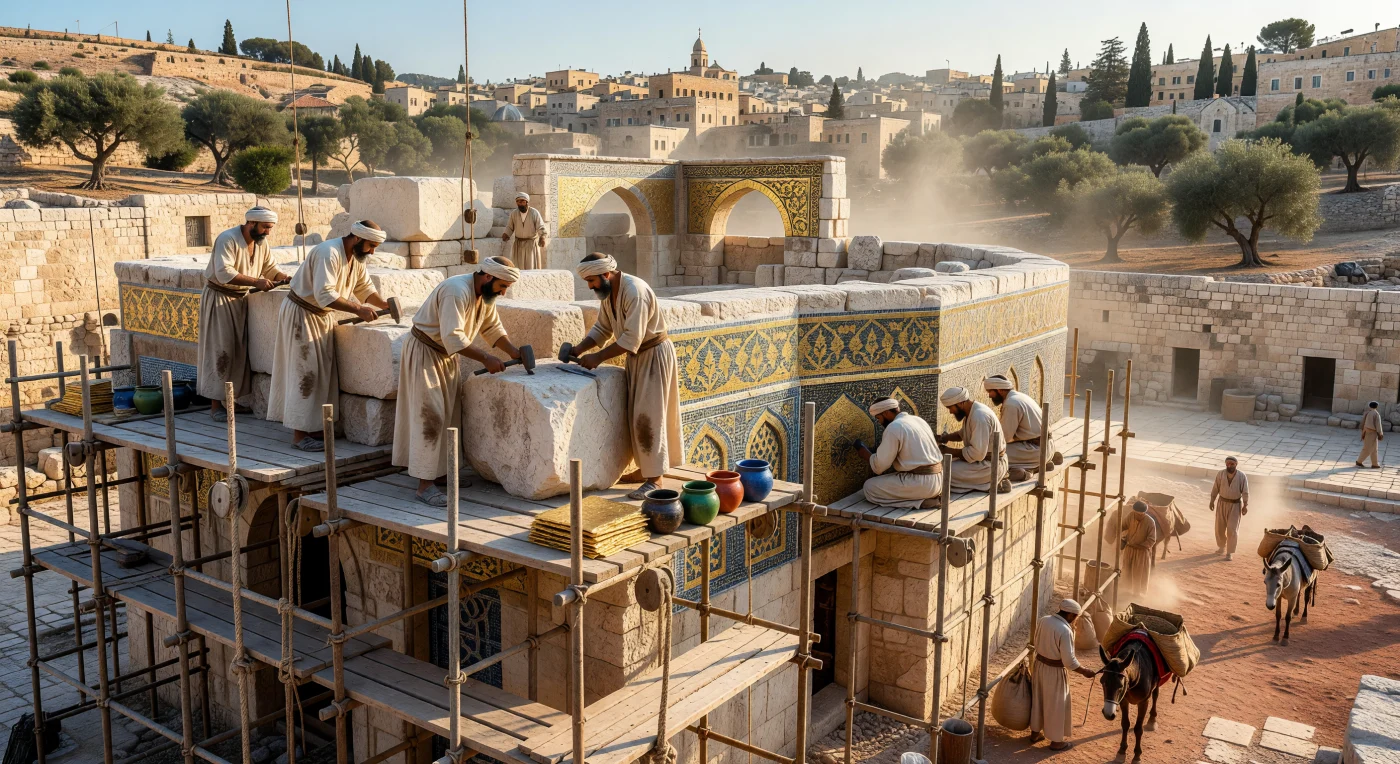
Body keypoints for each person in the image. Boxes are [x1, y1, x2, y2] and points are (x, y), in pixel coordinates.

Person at [394, 257, 524, 506]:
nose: (504, 292)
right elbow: (452, 336)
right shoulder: (456, 291)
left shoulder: (484, 296)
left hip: (445, 356)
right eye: (502, 286)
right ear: (488, 277)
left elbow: (492, 328)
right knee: (430, 416)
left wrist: (513, 352)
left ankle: (440, 473)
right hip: (425, 352)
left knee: (450, 415)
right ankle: (424, 485)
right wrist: (486, 358)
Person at [268, 220, 392, 451]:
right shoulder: (329, 253)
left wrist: (383, 304)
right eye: (371, 246)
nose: (373, 251)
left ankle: (313, 427)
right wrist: (358, 309)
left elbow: (364, 289)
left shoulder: (355, 258)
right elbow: (324, 294)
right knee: (305, 373)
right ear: (357, 238)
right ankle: (298, 435)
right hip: (302, 315)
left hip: (321, 317)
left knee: (322, 374)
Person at [571, 253, 681, 499]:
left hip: (653, 354)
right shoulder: (609, 293)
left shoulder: (635, 291)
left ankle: (656, 480)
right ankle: (645, 470)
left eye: (591, 281)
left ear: (605, 274)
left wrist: (597, 358)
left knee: (649, 417)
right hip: (637, 358)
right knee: (635, 415)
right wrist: (579, 349)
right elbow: (602, 329)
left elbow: (631, 339)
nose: (590, 286)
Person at [197, 206, 290, 421]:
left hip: (240, 300)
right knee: (220, 350)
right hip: (219, 298)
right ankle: (215, 406)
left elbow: (269, 267)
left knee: (238, 351)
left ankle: (231, 401)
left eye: (270, 228)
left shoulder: (261, 243)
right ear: (251, 224)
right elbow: (224, 272)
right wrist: (256, 281)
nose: (268, 232)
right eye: (265, 227)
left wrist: (284, 278)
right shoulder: (227, 239)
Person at [1029, 598, 1096, 751]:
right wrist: (1084, 671)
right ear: (1072, 615)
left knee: (1038, 699)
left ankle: (1034, 733)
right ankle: (1057, 742)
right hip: (1055, 672)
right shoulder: (1065, 631)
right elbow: (1069, 662)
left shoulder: (1043, 620)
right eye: (1076, 617)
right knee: (1057, 705)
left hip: (1039, 666)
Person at [854, 399, 943, 509]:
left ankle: (921, 503)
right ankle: (925, 498)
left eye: (879, 418)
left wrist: (865, 453)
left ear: (886, 413)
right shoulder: (918, 420)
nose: (880, 422)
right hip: (939, 481)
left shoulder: (894, 427)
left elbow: (879, 466)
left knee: (869, 487)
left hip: (922, 484)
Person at [936, 386, 1013, 493]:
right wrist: (945, 438)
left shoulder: (979, 416)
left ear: (960, 403)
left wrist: (948, 451)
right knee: (943, 468)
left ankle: (995, 482)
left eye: (950, 408)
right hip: (984, 463)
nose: (950, 412)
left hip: (990, 466)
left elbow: (977, 454)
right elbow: (962, 434)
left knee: (941, 473)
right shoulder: (972, 411)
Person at [984, 375, 1062, 472]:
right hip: (1048, 446)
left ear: (999, 390)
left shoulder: (1011, 404)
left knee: (988, 455)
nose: (989, 395)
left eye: (990, 392)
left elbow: (1004, 438)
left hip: (1035, 451)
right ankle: (1040, 464)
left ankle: (1030, 469)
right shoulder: (1019, 396)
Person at [1209, 456, 1249, 560]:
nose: (1229, 466)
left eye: (1231, 464)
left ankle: (1229, 552)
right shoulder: (1220, 474)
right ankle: (1221, 547)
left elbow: (1245, 491)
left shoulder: (1242, 476)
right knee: (1219, 528)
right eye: (1227, 464)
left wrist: (1245, 505)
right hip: (1222, 503)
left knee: (1232, 529)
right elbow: (1215, 488)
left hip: (1235, 506)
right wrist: (1212, 500)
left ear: (1236, 464)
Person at [1119, 500, 1159, 594]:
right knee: (1126, 570)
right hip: (1129, 549)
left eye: (1140, 514)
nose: (1138, 516)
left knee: (1138, 574)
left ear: (1144, 513)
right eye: (1136, 513)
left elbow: (1152, 540)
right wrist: (1120, 533)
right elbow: (1123, 525)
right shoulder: (1131, 516)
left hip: (1141, 552)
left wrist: (1139, 546)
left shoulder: (1150, 522)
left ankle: (1137, 594)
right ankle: (1125, 591)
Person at [501, 192, 547, 270]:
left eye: (522, 201)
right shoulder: (514, 214)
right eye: (518, 201)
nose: (520, 203)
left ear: (526, 202)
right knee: (519, 268)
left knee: (531, 267)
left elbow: (541, 226)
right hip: (518, 245)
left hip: (531, 245)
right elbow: (510, 226)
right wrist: (506, 234)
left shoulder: (534, 213)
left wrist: (542, 236)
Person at [1358, 401, 1383, 469]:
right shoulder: (1376, 414)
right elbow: (1378, 425)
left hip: (1366, 431)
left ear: (1370, 406)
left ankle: (1375, 464)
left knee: (1374, 449)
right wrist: (1380, 434)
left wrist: (1363, 431)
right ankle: (1359, 461)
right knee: (1367, 448)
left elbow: (1362, 423)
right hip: (1372, 432)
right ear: (1376, 406)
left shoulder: (1367, 412)